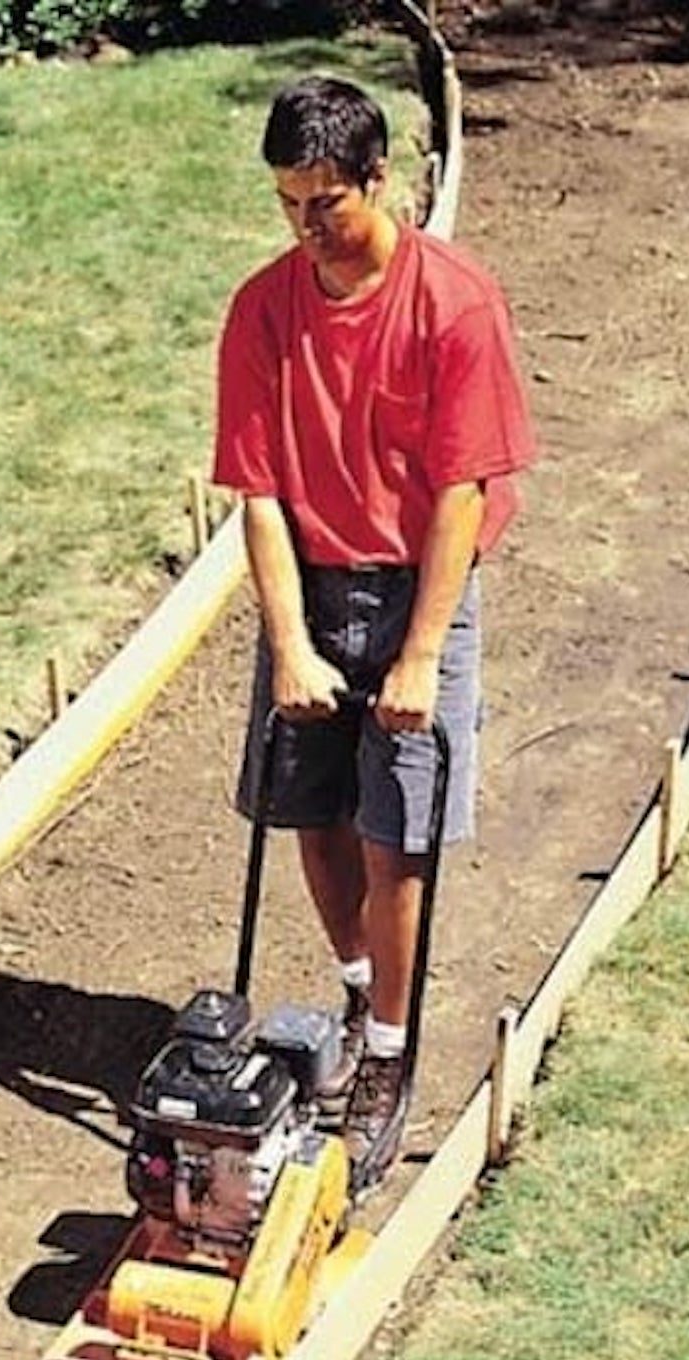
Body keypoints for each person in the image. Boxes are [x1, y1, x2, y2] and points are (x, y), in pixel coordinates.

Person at [212, 75, 536, 1192]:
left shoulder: (455, 303)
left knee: (398, 831)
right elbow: (256, 489)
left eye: (326, 203)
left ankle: (391, 1053)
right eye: (287, 201)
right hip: (311, 576)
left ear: (380, 180)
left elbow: (460, 492)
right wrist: (291, 642)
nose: (306, 227)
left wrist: (420, 652)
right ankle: (357, 987)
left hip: (417, 582)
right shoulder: (263, 309)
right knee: (308, 808)